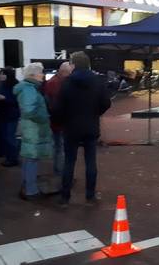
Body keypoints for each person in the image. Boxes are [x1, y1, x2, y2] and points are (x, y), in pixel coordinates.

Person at [56, 52, 111, 207]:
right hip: (91, 126)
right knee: (90, 161)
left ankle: (65, 197)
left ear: (74, 64)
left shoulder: (67, 83)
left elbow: (59, 107)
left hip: (71, 127)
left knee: (69, 162)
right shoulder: (97, 81)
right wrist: (95, 113)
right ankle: (90, 196)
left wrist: (63, 120)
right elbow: (106, 103)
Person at [14, 62, 51, 200]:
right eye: (41, 72)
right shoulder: (29, 89)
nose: (43, 75)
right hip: (34, 129)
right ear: (33, 75)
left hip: (31, 128)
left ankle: (27, 187)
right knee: (32, 159)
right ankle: (31, 190)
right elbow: (29, 110)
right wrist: (44, 117)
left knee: (29, 158)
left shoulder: (27, 88)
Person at [43, 62, 72, 175]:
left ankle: (60, 171)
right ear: (64, 71)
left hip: (56, 121)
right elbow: (56, 105)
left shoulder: (53, 82)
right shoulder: (56, 83)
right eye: (69, 73)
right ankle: (61, 173)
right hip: (59, 122)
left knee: (59, 147)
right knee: (60, 148)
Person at [0, 68, 20, 167]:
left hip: (11, 114)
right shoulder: (3, 84)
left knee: (10, 137)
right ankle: (8, 157)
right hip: (3, 113)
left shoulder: (15, 85)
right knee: (6, 136)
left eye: (2, 74)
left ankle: (13, 158)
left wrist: (5, 98)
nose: (1, 76)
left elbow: (16, 100)